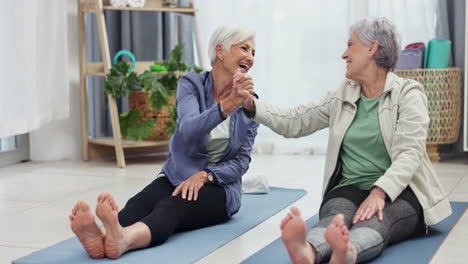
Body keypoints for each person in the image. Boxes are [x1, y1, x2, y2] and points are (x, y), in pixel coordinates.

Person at [243, 17, 452, 263]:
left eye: (350, 45)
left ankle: (347, 252)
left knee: (376, 220)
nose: (344, 54)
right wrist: (251, 104)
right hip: (350, 186)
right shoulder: (344, 94)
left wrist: (379, 192)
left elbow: (409, 154)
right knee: (334, 218)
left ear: (372, 48)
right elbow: (296, 121)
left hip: (400, 190)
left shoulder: (408, 94)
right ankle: (307, 251)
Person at [68, 24, 258, 259]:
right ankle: (102, 237)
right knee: (141, 202)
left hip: (219, 188)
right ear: (220, 51)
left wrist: (206, 175)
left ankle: (123, 240)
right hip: (177, 174)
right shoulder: (192, 84)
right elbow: (188, 129)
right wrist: (227, 105)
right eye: (244, 48)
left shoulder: (250, 104)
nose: (250, 57)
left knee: (172, 206)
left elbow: (242, 161)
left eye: (253, 53)